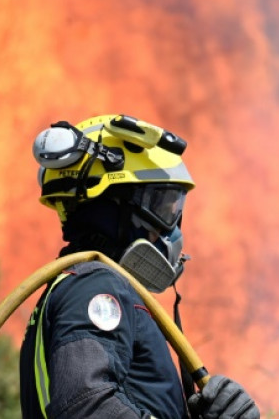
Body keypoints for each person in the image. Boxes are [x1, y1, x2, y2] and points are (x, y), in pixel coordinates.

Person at [19, 114, 260, 419]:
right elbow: (83, 405)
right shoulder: (94, 286)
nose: (172, 232)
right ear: (113, 207)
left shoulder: (78, 285)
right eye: (162, 206)